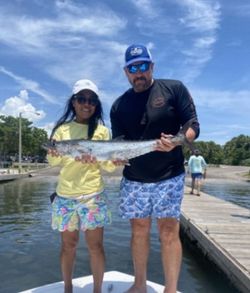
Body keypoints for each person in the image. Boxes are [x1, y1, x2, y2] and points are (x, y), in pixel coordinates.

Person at [110, 44, 200, 293]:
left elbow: (192, 124)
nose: (138, 73)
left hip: (169, 175)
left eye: (142, 66)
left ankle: (170, 289)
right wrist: (116, 157)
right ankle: (139, 284)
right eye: (132, 68)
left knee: (169, 230)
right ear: (126, 72)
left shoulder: (174, 88)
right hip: (134, 178)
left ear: (152, 66)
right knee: (139, 230)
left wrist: (178, 141)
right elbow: (120, 145)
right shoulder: (118, 106)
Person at [47, 79, 116, 293]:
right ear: (73, 102)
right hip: (65, 196)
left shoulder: (102, 131)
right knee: (68, 246)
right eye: (82, 99)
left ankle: (97, 290)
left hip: (93, 196)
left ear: (96, 104)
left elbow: (109, 167)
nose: (87, 104)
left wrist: (110, 160)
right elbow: (54, 163)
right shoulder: (61, 130)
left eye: (92, 100)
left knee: (96, 247)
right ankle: (68, 288)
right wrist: (54, 153)